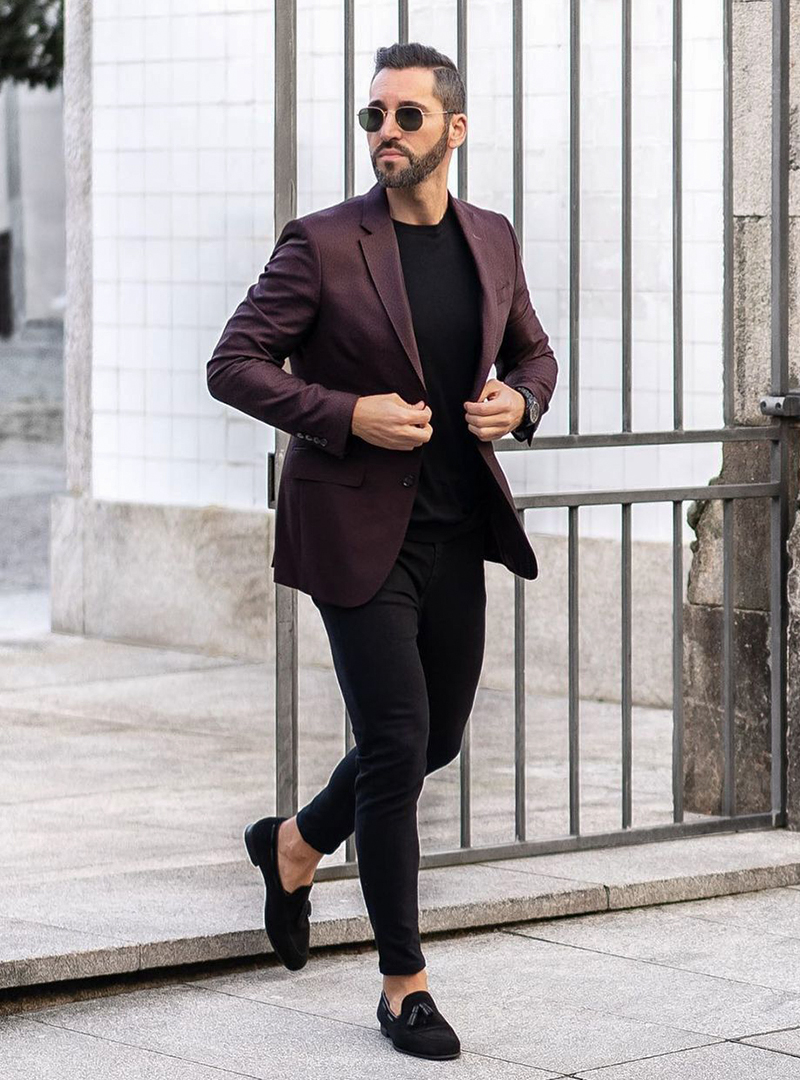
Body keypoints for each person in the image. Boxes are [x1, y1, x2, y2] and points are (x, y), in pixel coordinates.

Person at [207, 41, 558, 1062]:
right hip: (354, 528)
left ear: (453, 129)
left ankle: (292, 844)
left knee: (433, 741)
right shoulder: (319, 243)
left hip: (456, 529)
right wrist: (344, 413)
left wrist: (520, 399)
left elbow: (532, 348)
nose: (385, 135)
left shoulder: (489, 237)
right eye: (372, 117)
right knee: (399, 744)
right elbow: (233, 364)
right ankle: (404, 983)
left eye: (407, 116)